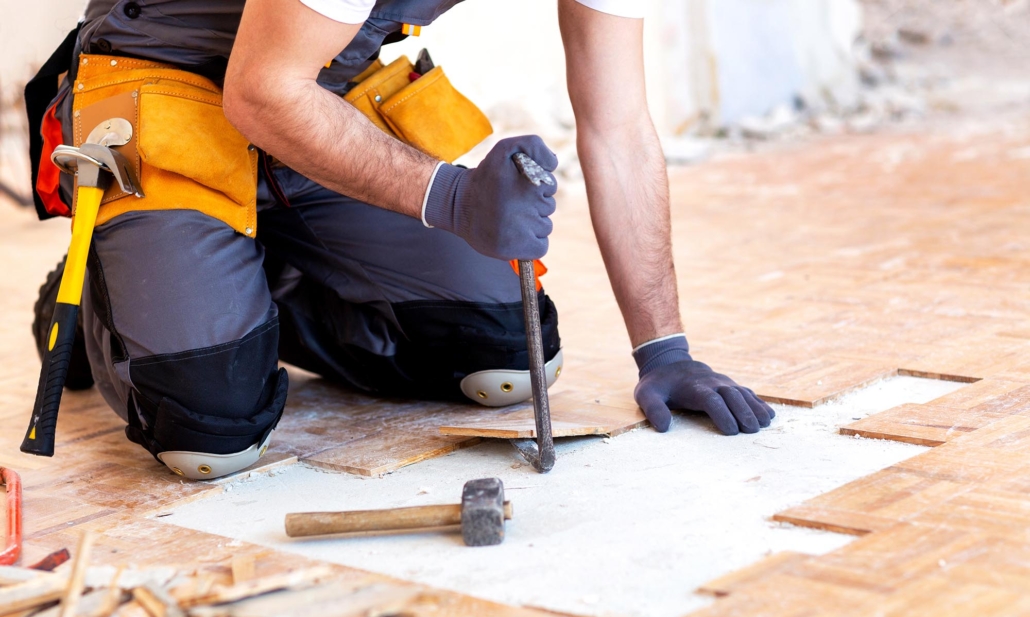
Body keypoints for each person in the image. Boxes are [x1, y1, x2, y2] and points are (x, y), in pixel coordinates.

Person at [28, 0, 774, 480]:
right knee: (209, 437)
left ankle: (244, 280)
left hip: (322, 91)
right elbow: (259, 90)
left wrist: (663, 348)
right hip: (169, 83)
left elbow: (618, 127)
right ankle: (112, 277)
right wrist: (452, 197)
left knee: (507, 356)